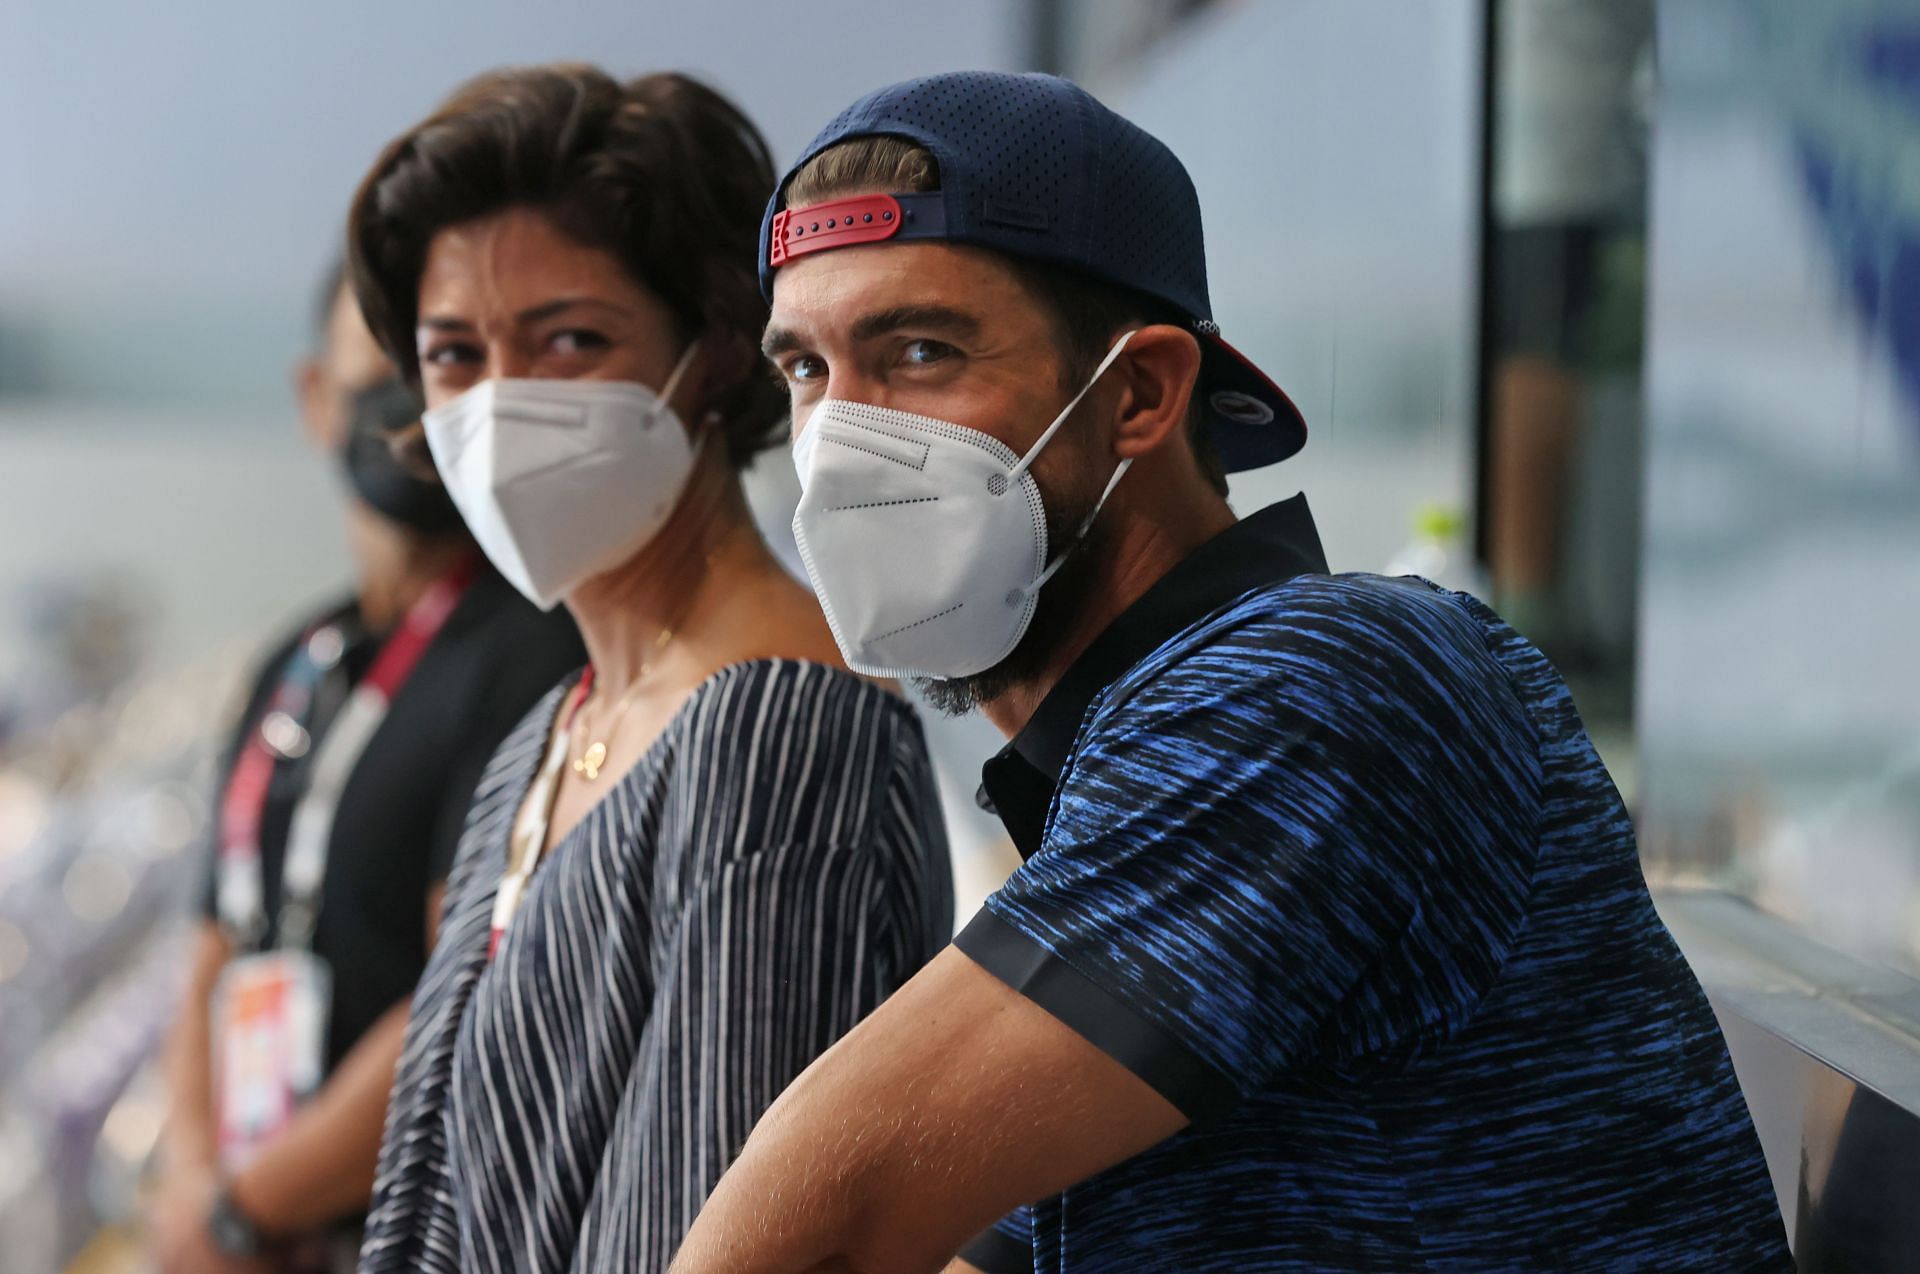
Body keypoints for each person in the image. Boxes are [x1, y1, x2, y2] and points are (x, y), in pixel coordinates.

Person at [671, 71, 1793, 1273]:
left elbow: (829, 1218)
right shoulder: (1121, 765)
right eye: (806, 373)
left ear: (1141, 392)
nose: (841, 445)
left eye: (922, 351)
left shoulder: (1315, 687)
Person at [346, 66, 953, 1273]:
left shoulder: (777, 732)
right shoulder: (551, 733)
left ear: (719, 351)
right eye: (456, 353)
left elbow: (707, 1224)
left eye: (571, 338)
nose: (505, 399)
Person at [149, 266, 585, 1273]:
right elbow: (215, 935)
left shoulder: (535, 651)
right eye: (380, 369)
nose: (413, 403)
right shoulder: (300, 658)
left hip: (405, 1231)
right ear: (314, 397)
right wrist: (189, 1173)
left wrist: (247, 1209)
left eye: (441, 366)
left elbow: (467, 988)